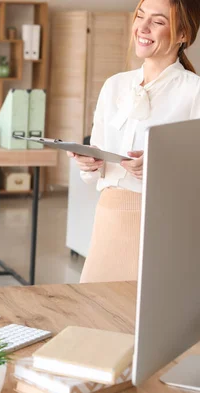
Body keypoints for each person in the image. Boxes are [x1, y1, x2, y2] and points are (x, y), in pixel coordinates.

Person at [69, 0, 200, 283]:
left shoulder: (194, 93)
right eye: (140, 16)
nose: (142, 27)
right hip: (108, 221)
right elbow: (94, 176)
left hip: (161, 229)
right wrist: (90, 162)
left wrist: (159, 167)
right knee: (93, 316)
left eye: (158, 21)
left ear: (183, 34)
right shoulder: (114, 85)